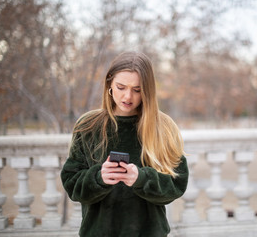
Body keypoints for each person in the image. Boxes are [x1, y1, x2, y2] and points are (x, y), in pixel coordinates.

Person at [61, 51, 189, 237]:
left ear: (148, 90)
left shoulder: (164, 127)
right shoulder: (88, 125)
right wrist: (98, 178)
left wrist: (142, 179)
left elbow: (176, 185)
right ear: (109, 84)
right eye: (121, 87)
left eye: (137, 90)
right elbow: (72, 184)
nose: (128, 97)